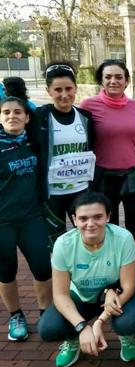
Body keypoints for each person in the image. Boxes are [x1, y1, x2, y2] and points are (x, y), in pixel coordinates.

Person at [38, 191, 135, 367]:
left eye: (98, 217)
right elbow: (60, 294)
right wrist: (82, 327)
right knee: (48, 328)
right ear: (74, 219)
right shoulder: (63, 244)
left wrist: (100, 321)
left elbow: (128, 286)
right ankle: (72, 339)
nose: (90, 224)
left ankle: (127, 337)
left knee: (130, 321)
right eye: (83, 218)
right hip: (79, 295)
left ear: (108, 216)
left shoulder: (123, 238)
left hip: (114, 294)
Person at [0, 96, 52, 341]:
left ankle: (46, 313)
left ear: (26, 117)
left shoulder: (34, 143)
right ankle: (16, 315)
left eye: (18, 112)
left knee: (43, 267)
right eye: (6, 112)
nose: (12, 116)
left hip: (31, 217)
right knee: (6, 271)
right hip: (3, 222)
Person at [80, 59, 135, 245]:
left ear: (126, 81)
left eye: (119, 77)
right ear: (101, 81)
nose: (113, 81)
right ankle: (112, 270)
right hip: (104, 178)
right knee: (109, 228)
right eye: (108, 77)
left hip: (133, 176)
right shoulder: (88, 105)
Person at [35, 62, 94, 241]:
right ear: (49, 91)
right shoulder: (39, 117)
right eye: (57, 89)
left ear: (76, 88)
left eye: (69, 88)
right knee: (56, 242)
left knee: (87, 238)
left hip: (81, 190)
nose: (64, 94)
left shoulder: (85, 117)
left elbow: (92, 150)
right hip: (53, 194)